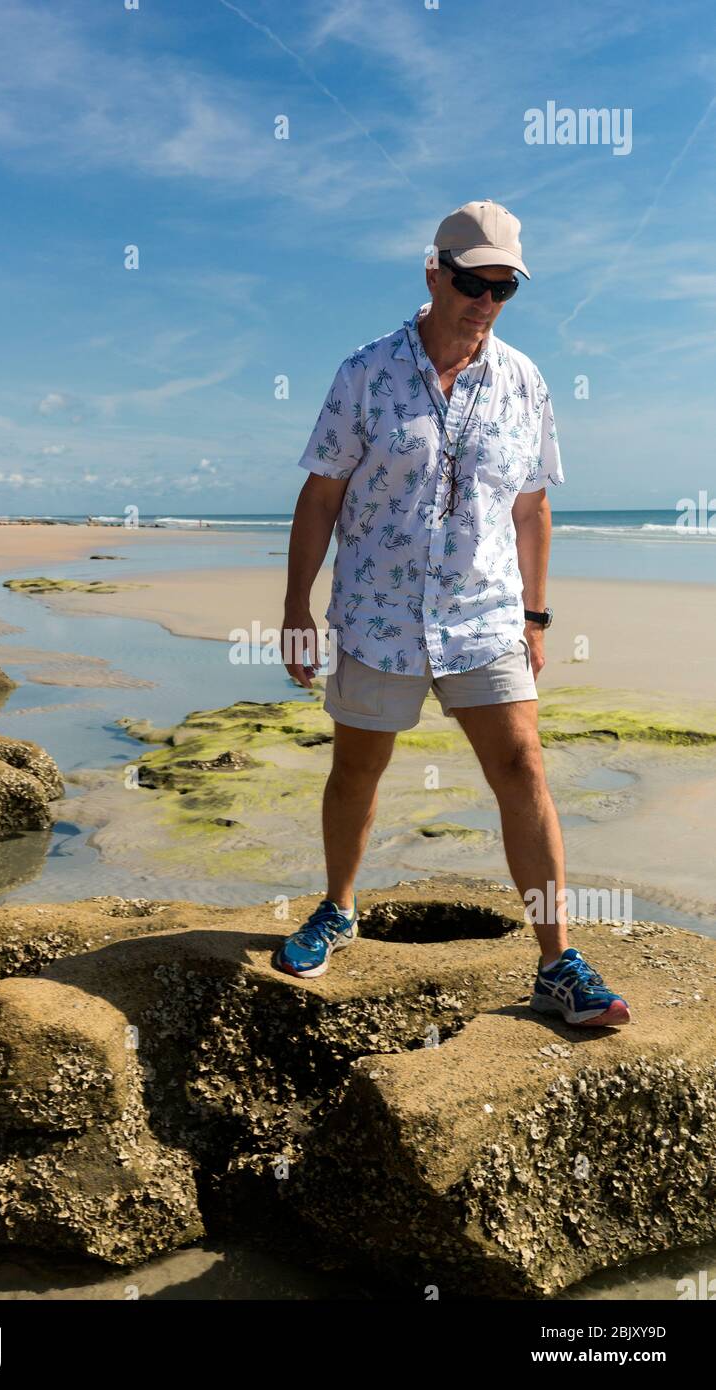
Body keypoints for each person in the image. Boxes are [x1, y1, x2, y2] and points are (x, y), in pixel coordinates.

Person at [277, 199, 629, 1029]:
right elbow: (321, 492)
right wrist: (295, 604)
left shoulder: (526, 381)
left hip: (486, 617)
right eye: (473, 281)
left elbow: (533, 507)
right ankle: (337, 908)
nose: (486, 300)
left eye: (504, 287)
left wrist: (537, 616)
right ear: (434, 271)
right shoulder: (365, 372)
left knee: (524, 771)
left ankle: (557, 963)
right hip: (376, 616)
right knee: (357, 770)